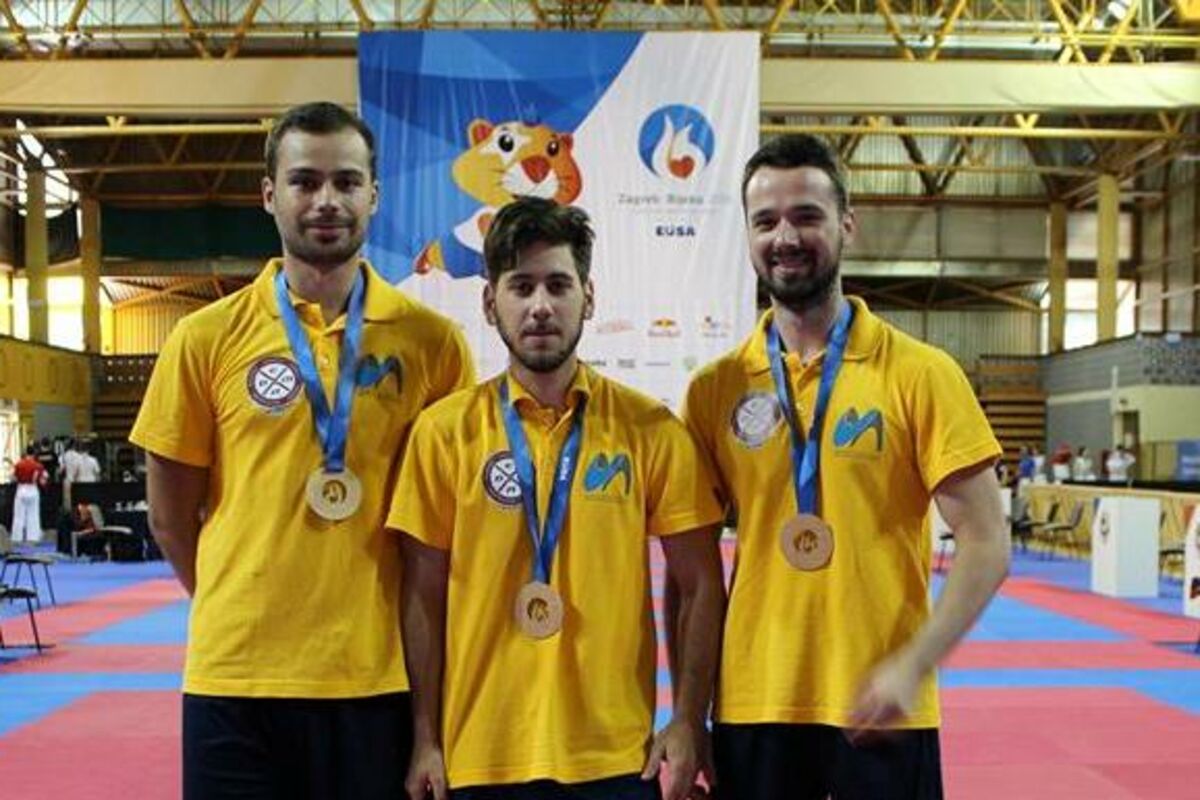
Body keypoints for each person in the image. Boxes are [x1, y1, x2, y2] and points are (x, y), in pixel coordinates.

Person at [129, 101, 475, 800]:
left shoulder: (434, 344)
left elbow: (450, 525)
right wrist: (240, 597)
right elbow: (169, 515)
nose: (326, 201)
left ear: (375, 196)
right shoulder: (204, 338)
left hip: (377, 678)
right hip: (236, 679)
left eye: (346, 182)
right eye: (304, 181)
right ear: (269, 195)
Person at [681, 134, 1010, 799]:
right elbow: (690, 572)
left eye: (806, 216)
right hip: (753, 703)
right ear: (748, 236)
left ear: (846, 226)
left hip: (883, 707)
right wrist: (689, 715)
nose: (785, 237)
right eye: (766, 221)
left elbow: (987, 540)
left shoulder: (921, 373)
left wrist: (914, 665)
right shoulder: (715, 390)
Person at [390, 198, 726, 800]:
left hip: (616, 759)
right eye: (521, 287)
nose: (540, 306)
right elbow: (421, 595)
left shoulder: (650, 430)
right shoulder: (442, 434)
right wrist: (424, 737)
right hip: (478, 758)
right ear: (489, 303)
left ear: (588, 298)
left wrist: (685, 719)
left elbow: (700, 583)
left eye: (558, 285)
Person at [11, 445, 48, 545]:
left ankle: (17, 539)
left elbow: (13, 478)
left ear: (25, 452)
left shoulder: (19, 464)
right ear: (34, 453)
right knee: (33, 515)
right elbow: (43, 481)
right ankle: (32, 539)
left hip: (21, 489)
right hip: (33, 489)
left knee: (18, 515)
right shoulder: (39, 466)